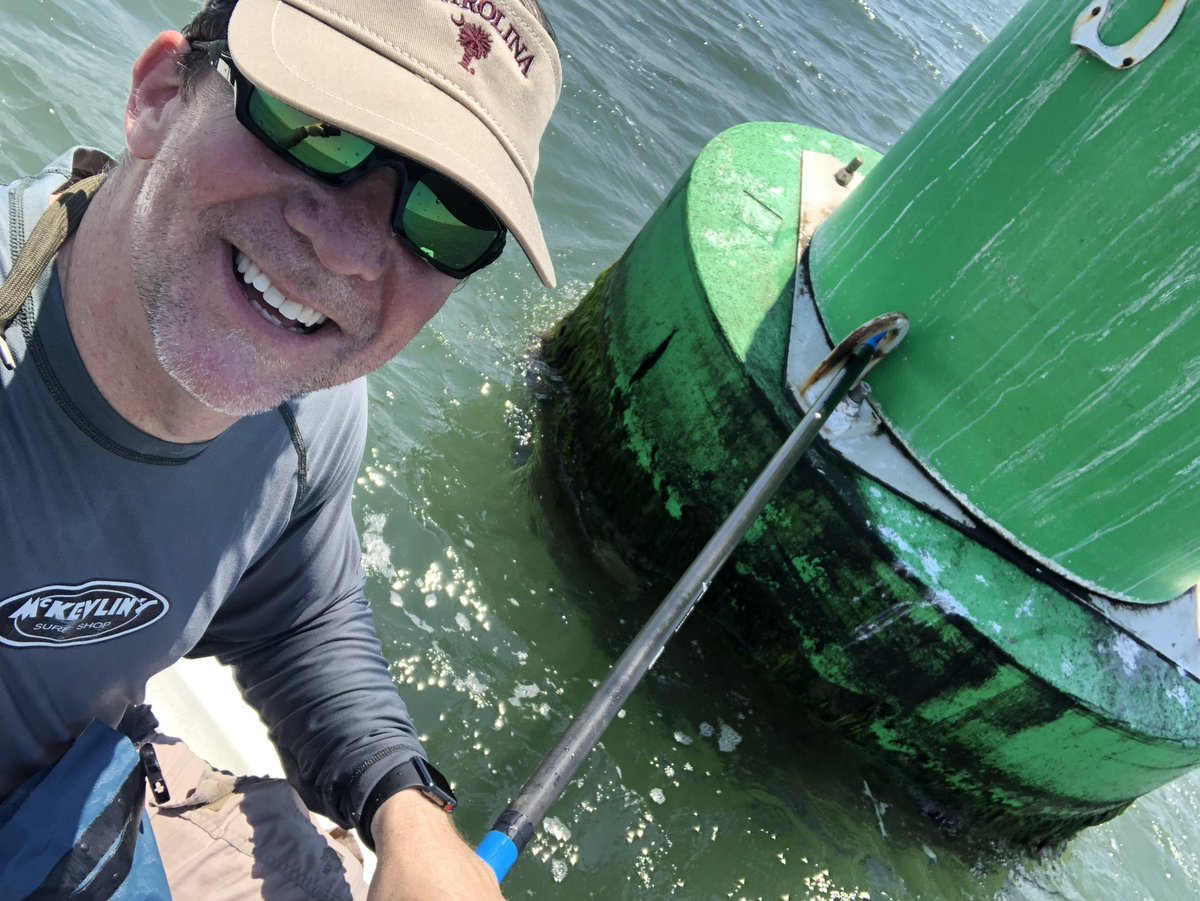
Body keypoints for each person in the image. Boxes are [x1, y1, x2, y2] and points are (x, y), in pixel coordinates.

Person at [0, 0, 561, 896]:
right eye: (319, 128)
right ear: (158, 97)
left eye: (446, 218)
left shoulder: (311, 413)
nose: (347, 251)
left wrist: (407, 815)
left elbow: (298, 617)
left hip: (64, 802)